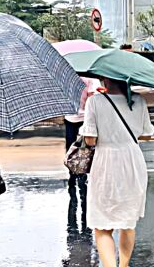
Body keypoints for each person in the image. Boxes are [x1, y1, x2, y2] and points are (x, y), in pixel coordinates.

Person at [81, 77, 154, 267]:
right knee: (128, 222)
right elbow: (146, 134)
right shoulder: (138, 100)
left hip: (106, 163)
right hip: (133, 161)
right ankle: (123, 265)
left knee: (103, 225)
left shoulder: (95, 101)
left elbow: (90, 139)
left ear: (105, 79)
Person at [64, 77, 100, 217]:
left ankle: (73, 171)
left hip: (73, 118)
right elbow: (93, 97)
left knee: (72, 147)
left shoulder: (65, 78)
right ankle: (81, 171)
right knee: (83, 147)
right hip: (82, 118)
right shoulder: (89, 80)